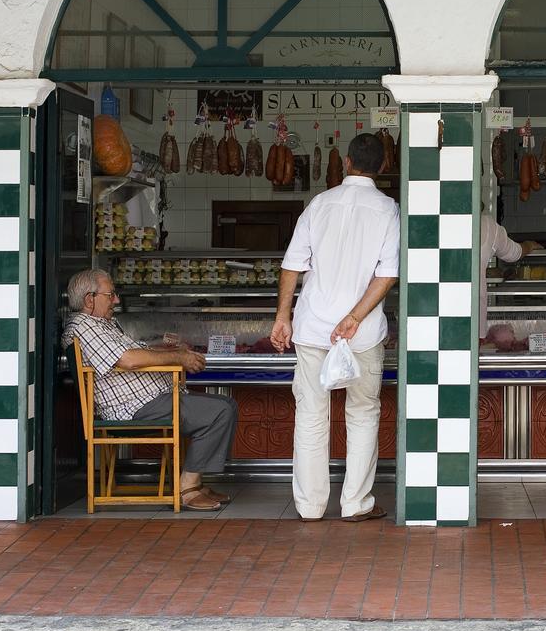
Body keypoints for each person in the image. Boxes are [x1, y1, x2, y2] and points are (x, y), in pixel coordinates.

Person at [270, 132, 399, 522]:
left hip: (312, 330)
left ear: (345, 162)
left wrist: (282, 316)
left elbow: (292, 263)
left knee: (311, 413)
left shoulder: (319, 204)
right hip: (360, 334)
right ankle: (356, 503)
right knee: (362, 413)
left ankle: (309, 506)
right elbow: (388, 274)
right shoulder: (387, 208)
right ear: (383, 166)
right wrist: (355, 317)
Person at [61, 268, 238, 512]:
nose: (116, 300)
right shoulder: (83, 325)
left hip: (153, 400)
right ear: (89, 299)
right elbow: (128, 360)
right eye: (110, 294)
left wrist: (167, 350)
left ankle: (194, 480)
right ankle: (187, 488)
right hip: (133, 408)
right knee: (219, 411)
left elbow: (136, 351)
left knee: (226, 404)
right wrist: (177, 357)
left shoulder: (105, 324)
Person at [479, 208, 539, 338]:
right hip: (473, 319)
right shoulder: (487, 225)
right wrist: (528, 245)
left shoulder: (437, 220)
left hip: (432, 310)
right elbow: (514, 253)